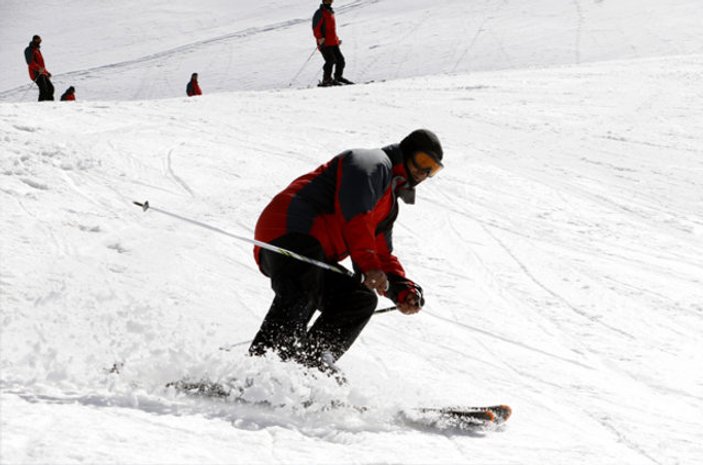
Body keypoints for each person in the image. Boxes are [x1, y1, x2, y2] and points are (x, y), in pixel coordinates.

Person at [249, 129, 444, 376]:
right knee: (302, 289)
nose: (424, 173)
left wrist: (401, 290)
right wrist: (367, 264)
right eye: (422, 162)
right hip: (290, 231)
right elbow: (355, 214)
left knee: (359, 299)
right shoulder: (372, 163)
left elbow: (381, 253)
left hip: (317, 253)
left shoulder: (388, 203)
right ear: (405, 152)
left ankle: (308, 368)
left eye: (432, 170)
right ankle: (262, 369)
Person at [312, 0, 352, 86]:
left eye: (331, 0)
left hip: (333, 42)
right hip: (324, 42)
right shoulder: (319, 13)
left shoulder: (331, 12)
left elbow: (331, 29)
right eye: (327, 0)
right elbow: (315, 27)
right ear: (323, 1)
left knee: (340, 60)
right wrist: (319, 38)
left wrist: (337, 40)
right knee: (330, 60)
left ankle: (338, 77)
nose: (329, 2)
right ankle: (326, 80)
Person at [24, 35, 54, 101]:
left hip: (42, 73)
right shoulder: (29, 50)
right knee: (44, 89)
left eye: (40, 40)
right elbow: (30, 62)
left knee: (50, 88)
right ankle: (41, 106)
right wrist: (38, 69)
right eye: (38, 40)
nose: (39, 42)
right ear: (34, 40)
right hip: (36, 73)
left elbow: (41, 65)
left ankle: (50, 104)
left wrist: (46, 72)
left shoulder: (37, 50)